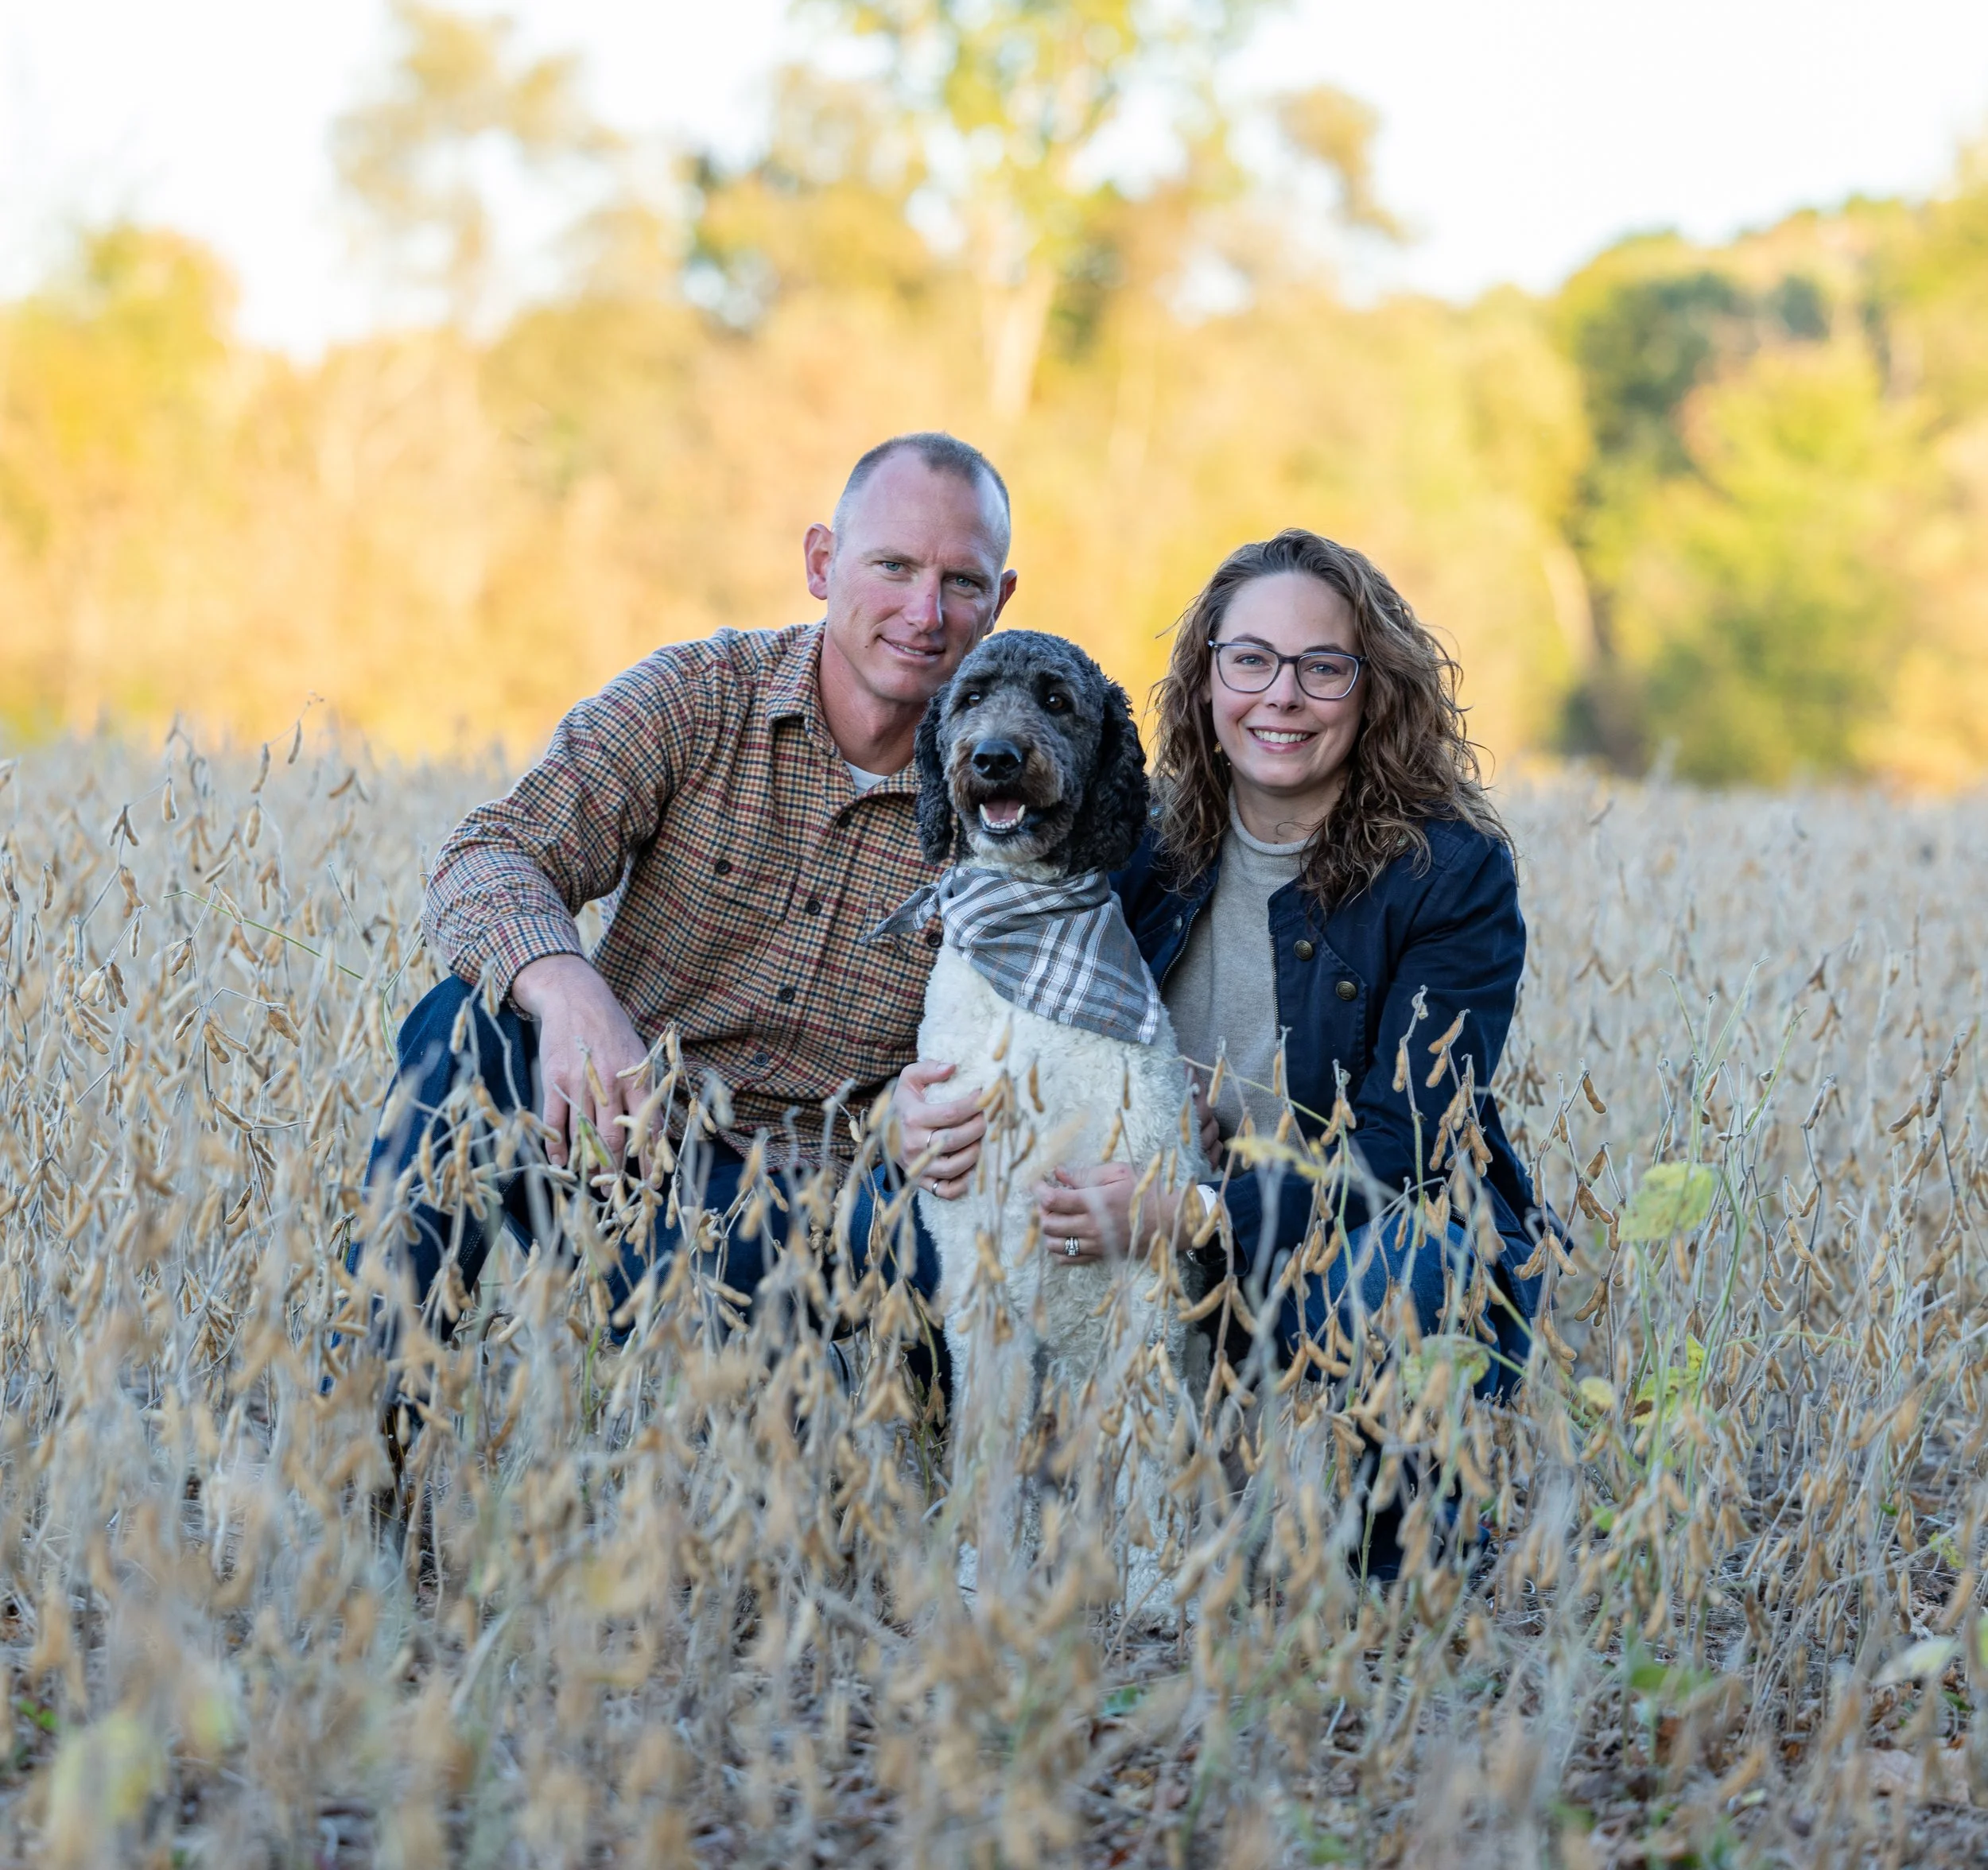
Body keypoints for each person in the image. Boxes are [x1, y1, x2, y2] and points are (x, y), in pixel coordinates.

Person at [352, 432, 1015, 1362]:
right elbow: (488, 852)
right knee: (460, 1028)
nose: (924, 611)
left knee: (933, 1252)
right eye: (893, 566)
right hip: (610, 1151)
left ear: (1002, 602)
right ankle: (366, 1419)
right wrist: (569, 991)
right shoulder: (702, 697)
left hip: (806, 1229)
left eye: (963, 582)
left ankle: (789, 1390)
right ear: (823, 563)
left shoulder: (1016, 796)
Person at [1034, 527, 1546, 1401]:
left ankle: (1391, 1539)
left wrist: (1189, 1213)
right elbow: (1042, 1036)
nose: (1282, 696)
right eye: (1250, 661)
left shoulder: (1449, 876)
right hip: (1158, 1225)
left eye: (1321, 668)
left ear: (1371, 692)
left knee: (1401, 1272)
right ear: (1204, 682)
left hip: (1349, 1245)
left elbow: (1404, 1149)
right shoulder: (1135, 849)